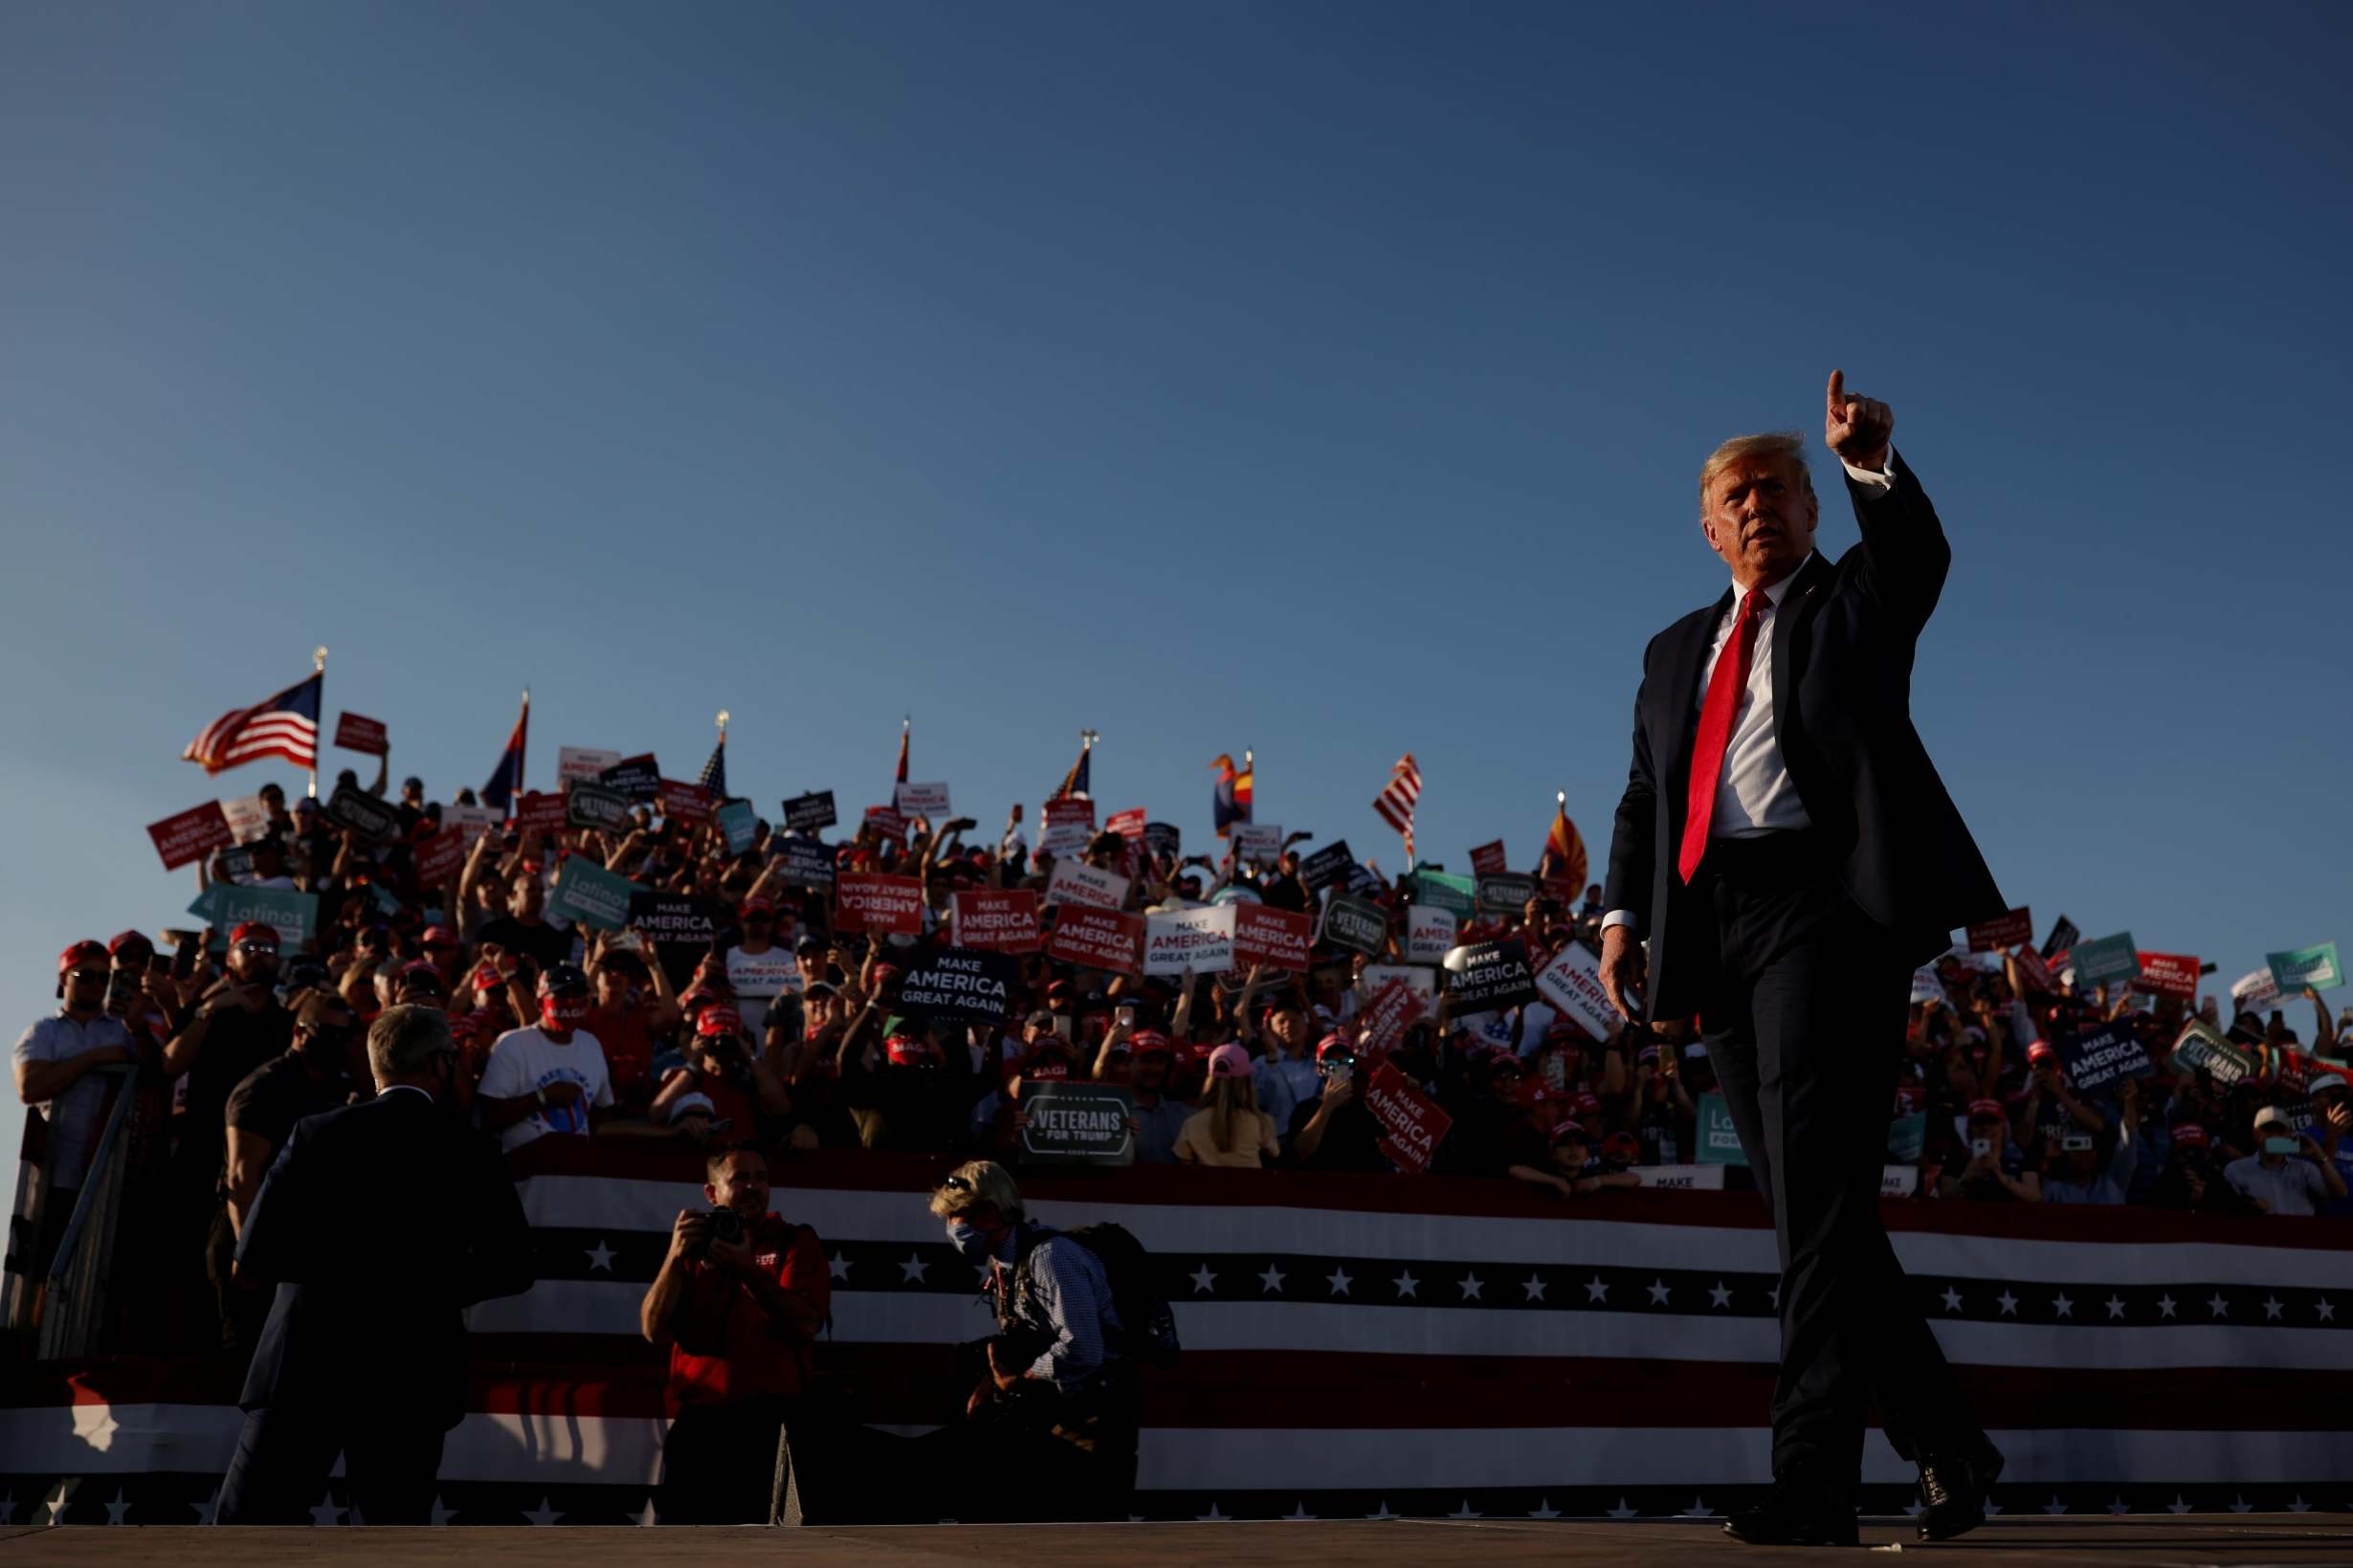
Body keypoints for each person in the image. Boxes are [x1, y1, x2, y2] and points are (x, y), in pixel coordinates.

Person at [1598, 374, 2006, 1546]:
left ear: (1810, 509)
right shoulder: (1673, 648)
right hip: (1705, 922)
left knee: (1817, 1213)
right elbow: (1641, 794)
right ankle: (1947, 1442)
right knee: (1808, 1217)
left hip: (1822, 912)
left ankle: (1814, 1480)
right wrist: (1618, 920)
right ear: (1709, 524)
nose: (1760, 503)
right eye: (1738, 492)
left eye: (1778, 486)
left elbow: (1918, 556)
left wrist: (1869, 461)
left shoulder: (1855, 601)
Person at [216, 1005, 533, 1524]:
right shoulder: (470, 1151)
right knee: (390, 1547)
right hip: (411, 1375)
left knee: (242, 1542)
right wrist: (422, 1287)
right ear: (440, 1064)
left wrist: (335, 1272)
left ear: (376, 1065)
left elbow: (251, 1260)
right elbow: (515, 1267)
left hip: (303, 1367)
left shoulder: (315, 1134)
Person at [927, 1159, 1135, 1520]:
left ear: (989, 1213)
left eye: (955, 1217)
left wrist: (1020, 1379)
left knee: (1091, 1536)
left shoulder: (1051, 1259)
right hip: (1053, 1412)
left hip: (1092, 1419)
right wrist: (990, 1383)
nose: (951, 1228)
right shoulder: (1007, 1264)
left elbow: (1083, 1348)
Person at [640, 1147, 831, 1524]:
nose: (752, 1187)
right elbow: (653, 1330)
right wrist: (675, 1256)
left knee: (763, 1547)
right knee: (682, 1545)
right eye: (740, 1178)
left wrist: (748, 1271)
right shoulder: (693, 1248)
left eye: (761, 1178)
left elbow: (806, 1324)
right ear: (711, 1194)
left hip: (770, 1426)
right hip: (701, 1426)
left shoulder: (793, 1242)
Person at [215, 992, 363, 1356]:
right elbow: (241, 1177)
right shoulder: (265, 1087)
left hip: (301, 1246)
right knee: (246, 1362)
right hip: (256, 1238)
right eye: (328, 1033)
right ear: (300, 1032)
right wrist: (248, 1255)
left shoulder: (335, 1085)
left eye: (345, 1036)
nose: (337, 1044)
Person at [12, 942, 139, 1293]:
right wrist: (93, 1060)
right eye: (85, 975)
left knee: (102, 1279)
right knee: (45, 1273)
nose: (96, 984)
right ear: (63, 979)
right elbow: (30, 1086)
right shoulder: (43, 1032)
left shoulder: (122, 1030)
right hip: (55, 1175)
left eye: (104, 977)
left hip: (111, 1176)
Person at [477, 963, 614, 1152]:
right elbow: (486, 1118)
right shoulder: (512, 1045)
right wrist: (543, 1097)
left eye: (578, 995)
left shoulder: (590, 1044)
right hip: (524, 1173)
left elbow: (602, 1109)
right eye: (562, 996)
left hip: (573, 1172)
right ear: (540, 1002)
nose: (571, 1002)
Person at [2223, 1106, 2345, 1216]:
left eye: (2280, 1131)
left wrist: (2319, 1156)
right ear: (2256, 1134)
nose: (2274, 1135)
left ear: (2289, 1135)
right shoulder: (2235, 1169)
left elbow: (2340, 1193)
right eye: (2267, 1130)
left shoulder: (2304, 1168)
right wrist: (2249, 1206)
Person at [1173, 1043, 1279, 1167]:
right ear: (1246, 1082)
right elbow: (1275, 1154)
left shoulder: (1191, 1124)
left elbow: (1183, 1163)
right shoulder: (1261, 1122)